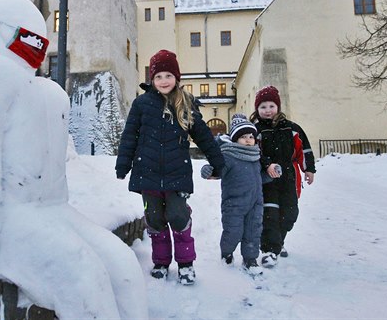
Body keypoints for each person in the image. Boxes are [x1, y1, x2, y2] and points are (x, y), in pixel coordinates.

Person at [0, 0, 147, 318]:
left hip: (52, 210)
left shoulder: (52, 94)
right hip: (13, 216)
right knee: (85, 278)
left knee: (122, 266)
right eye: (27, 36)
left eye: (39, 38)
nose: (37, 46)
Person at [115, 49, 225, 285]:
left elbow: (204, 136)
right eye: (158, 76)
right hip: (148, 173)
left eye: (168, 75)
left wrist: (218, 162)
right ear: (151, 79)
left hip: (177, 174)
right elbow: (130, 136)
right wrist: (122, 164)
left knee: (177, 216)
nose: (164, 81)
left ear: (176, 78)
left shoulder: (185, 104)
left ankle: (185, 264)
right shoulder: (142, 104)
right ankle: (161, 262)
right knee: (154, 219)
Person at [249, 85, 316, 267]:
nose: (267, 110)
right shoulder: (255, 131)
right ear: (257, 110)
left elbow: (304, 149)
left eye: (271, 106)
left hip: (289, 177)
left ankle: (279, 240)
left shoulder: (292, 128)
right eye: (263, 107)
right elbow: (252, 151)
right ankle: (269, 250)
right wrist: (267, 164)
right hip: (266, 179)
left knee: (290, 213)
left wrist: (308, 169)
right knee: (270, 213)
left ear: (278, 107)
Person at [200, 113, 268, 276]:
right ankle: (227, 253)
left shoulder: (256, 157)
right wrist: (208, 171)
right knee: (233, 232)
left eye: (251, 136)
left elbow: (261, 176)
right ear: (235, 139)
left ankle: (250, 259)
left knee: (253, 232)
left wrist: (272, 174)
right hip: (234, 204)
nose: (248, 140)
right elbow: (218, 171)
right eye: (243, 136)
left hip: (255, 203)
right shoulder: (228, 156)